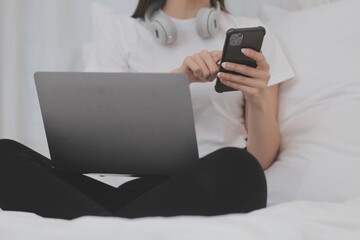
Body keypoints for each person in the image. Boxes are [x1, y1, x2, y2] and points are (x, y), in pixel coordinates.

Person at [0, 0, 294, 220]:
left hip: (209, 183)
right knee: (5, 156)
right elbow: (96, 138)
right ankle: (123, 229)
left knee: (241, 168)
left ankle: (101, 227)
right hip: (131, 191)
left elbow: (260, 158)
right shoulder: (121, 32)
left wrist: (256, 98)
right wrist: (178, 81)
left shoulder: (255, 34)